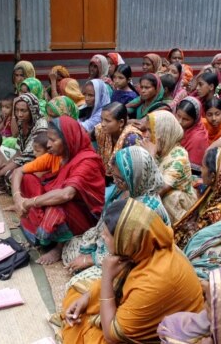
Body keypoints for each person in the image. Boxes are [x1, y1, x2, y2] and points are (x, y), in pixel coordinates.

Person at [61, 199, 204, 343]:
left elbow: (111, 335)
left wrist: (106, 277)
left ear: (124, 240)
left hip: (172, 336)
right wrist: (86, 299)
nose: (102, 237)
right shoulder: (148, 247)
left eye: (106, 235)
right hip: (152, 311)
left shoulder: (153, 280)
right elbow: (121, 282)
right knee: (77, 294)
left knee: (83, 331)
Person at [64, 146, 170, 278]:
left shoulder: (145, 209)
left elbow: (129, 253)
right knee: (73, 246)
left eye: (119, 179)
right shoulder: (129, 188)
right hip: (112, 243)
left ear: (136, 177)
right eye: (114, 176)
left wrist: (92, 259)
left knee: (84, 282)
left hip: (135, 261)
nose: (114, 181)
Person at [11, 116, 105, 264]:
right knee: (28, 179)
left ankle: (59, 247)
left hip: (82, 216)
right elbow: (18, 171)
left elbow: (66, 194)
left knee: (57, 204)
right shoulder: (60, 156)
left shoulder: (87, 161)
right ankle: (44, 231)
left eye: (53, 140)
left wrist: (29, 202)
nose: (48, 145)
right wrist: (17, 198)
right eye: (48, 139)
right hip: (60, 203)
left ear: (68, 139)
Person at [173, 147, 221, 248]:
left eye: (203, 167)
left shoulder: (220, 212)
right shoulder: (219, 190)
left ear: (213, 176)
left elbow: (194, 241)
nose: (200, 170)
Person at [140, 110, 197, 222]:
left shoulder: (179, 157)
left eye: (150, 131)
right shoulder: (160, 150)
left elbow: (158, 190)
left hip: (179, 207)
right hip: (156, 200)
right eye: (145, 130)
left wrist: (149, 157)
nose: (145, 135)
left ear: (162, 133)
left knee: (169, 198)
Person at [93, 102, 142, 177]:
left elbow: (134, 171)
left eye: (107, 121)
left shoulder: (131, 139)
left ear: (121, 122)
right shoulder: (100, 130)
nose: (102, 124)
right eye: (101, 119)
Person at [175, 97, 208, 168]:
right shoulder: (178, 128)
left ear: (195, 120)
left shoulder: (198, 138)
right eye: (178, 116)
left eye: (186, 119)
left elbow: (193, 169)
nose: (179, 121)